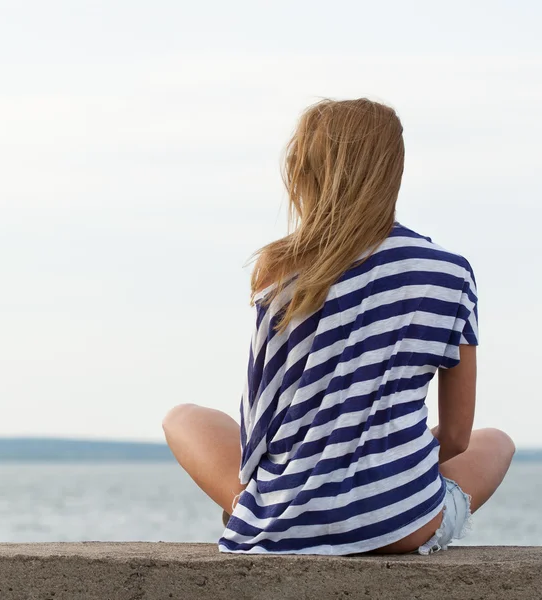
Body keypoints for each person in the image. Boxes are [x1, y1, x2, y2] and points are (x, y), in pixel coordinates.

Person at [162, 98, 515, 555]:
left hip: (285, 521)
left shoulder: (282, 270)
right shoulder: (450, 274)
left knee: (182, 418)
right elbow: (454, 438)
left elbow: (258, 436)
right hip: (400, 524)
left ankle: (264, 512)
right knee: (497, 442)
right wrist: (377, 461)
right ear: (393, 172)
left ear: (306, 172)